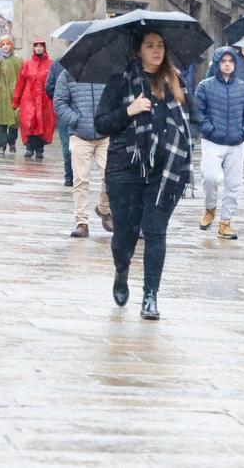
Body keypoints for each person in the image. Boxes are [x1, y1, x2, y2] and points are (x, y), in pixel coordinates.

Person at [94, 31, 194, 320]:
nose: (156, 51)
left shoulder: (175, 80)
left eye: (161, 45)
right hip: (124, 168)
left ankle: (150, 295)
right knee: (124, 235)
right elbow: (101, 124)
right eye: (150, 46)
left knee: (154, 230)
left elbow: (193, 119)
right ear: (138, 51)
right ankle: (122, 270)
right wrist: (130, 110)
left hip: (165, 172)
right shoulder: (120, 80)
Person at [194, 47, 244, 239]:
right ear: (217, 63)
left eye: (231, 61)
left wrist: (243, 132)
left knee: (233, 184)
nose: (227, 64)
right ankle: (210, 209)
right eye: (223, 61)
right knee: (211, 177)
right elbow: (198, 112)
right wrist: (209, 129)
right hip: (212, 141)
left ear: (235, 64)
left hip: (237, 143)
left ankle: (225, 222)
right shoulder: (205, 86)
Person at [53, 65, 112, 237]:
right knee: (80, 180)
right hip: (79, 135)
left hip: (105, 134)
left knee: (110, 176)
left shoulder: (108, 72)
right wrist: (75, 120)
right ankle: (82, 222)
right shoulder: (67, 74)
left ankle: (104, 209)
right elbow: (59, 102)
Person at [12, 38, 57, 160]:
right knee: (29, 123)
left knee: (43, 124)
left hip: (45, 100)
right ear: (33, 48)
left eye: (41, 46)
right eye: (36, 46)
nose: (39, 48)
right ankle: (29, 147)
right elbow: (20, 83)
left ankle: (39, 149)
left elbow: (54, 82)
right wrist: (16, 100)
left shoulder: (51, 64)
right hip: (29, 99)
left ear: (44, 48)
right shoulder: (27, 64)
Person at [0, 35, 22, 155]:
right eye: (3, 45)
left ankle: (11, 142)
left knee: (14, 120)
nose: (5, 47)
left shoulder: (17, 59)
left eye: (8, 44)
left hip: (14, 93)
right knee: (1, 121)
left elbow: (21, 76)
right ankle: (1, 145)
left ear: (11, 45)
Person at [46, 60, 74, 187]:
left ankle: (71, 176)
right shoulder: (58, 64)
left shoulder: (58, 63)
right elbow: (49, 88)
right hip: (70, 111)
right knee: (74, 146)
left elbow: (49, 88)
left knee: (68, 146)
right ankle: (72, 176)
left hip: (67, 110)